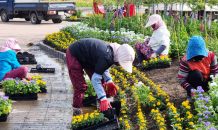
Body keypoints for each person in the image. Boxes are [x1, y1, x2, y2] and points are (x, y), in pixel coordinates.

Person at [66, 38, 135, 116]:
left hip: (88, 57)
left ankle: (102, 109)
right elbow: (95, 79)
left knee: (102, 81)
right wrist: (103, 98)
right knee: (80, 86)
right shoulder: (107, 55)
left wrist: (109, 81)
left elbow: (104, 67)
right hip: (74, 54)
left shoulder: (112, 52)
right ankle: (76, 112)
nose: (119, 65)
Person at [178, 36, 218, 102]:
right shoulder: (185, 61)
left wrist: (213, 86)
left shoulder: (211, 56)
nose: (199, 59)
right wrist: (191, 89)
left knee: (214, 77)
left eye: (201, 56)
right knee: (196, 74)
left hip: (208, 83)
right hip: (195, 83)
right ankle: (193, 94)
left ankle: (207, 92)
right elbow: (181, 79)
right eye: (196, 57)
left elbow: (215, 73)